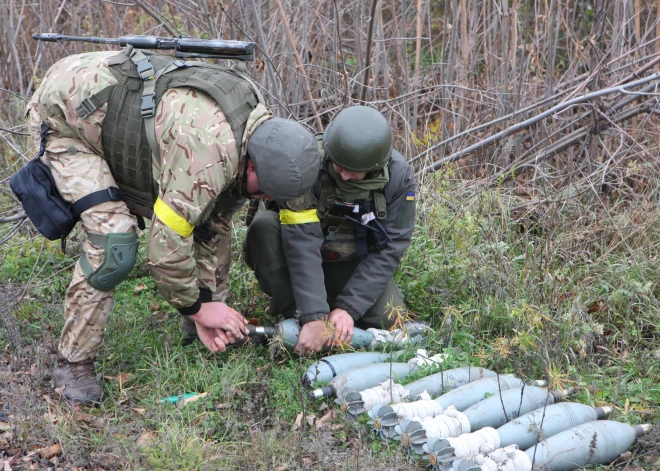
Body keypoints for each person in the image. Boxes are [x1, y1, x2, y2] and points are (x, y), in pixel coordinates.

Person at [24, 49, 320, 403]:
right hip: (66, 119)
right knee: (114, 242)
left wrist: (206, 307)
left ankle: (199, 330)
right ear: (252, 167)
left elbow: (210, 226)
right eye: (264, 191)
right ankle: (73, 362)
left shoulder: (275, 143)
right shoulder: (208, 151)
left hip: (121, 114)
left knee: (212, 221)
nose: (264, 197)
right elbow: (164, 249)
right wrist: (197, 307)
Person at [242, 106, 417, 355]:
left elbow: (390, 248)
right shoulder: (307, 162)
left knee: (390, 318)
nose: (343, 175)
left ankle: (335, 314)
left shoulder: (399, 178)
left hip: (352, 263)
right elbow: (300, 239)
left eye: (352, 171)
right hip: (299, 259)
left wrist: (349, 308)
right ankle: (299, 315)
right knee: (264, 227)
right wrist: (313, 316)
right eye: (337, 167)